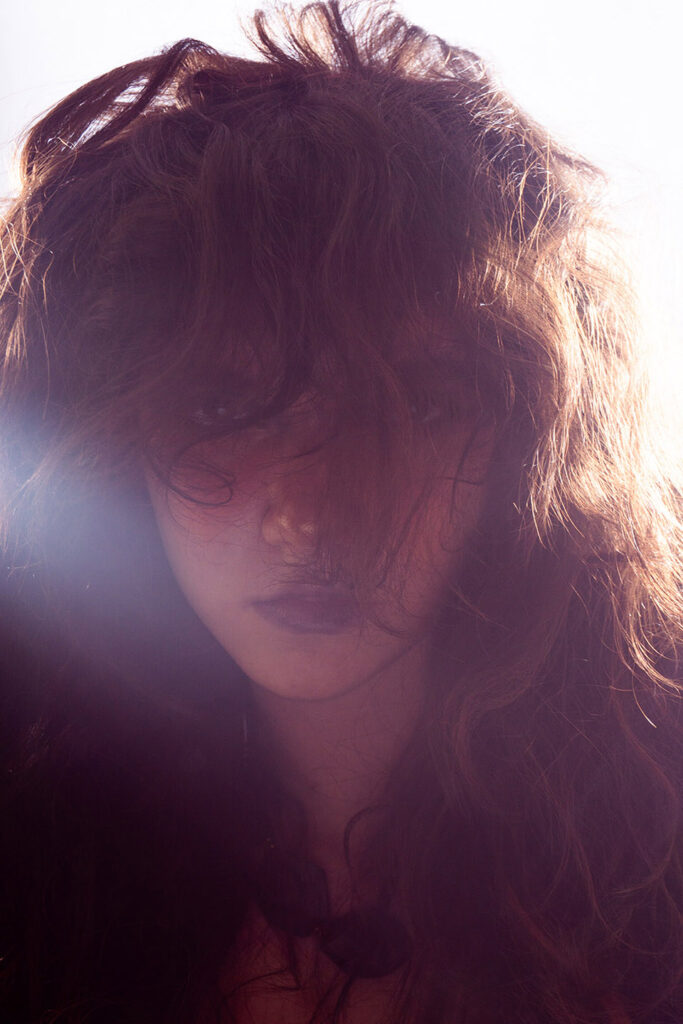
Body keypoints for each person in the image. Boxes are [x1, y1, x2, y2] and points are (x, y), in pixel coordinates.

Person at [0, 2, 680, 1021]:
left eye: (414, 404)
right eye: (221, 408)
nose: (310, 515)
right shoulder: (35, 830)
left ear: (528, 434)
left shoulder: (656, 848)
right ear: (109, 438)